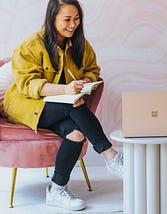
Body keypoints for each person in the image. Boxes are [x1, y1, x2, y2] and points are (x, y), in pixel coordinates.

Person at [4, 0, 122, 211]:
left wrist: (87, 80)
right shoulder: (30, 45)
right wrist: (66, 90)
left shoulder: (81, 45)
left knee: (76, 134)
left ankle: (57, 190)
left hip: (62, 106)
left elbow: (93, 69)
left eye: (76, 18)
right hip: (27, 105)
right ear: (52, 18)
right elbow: (28, 85)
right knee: (74, 103)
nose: (73, 24)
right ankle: (111, 156)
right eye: (67, 19)